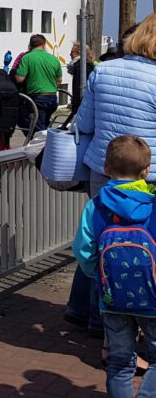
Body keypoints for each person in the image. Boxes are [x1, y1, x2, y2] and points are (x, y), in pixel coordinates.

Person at [65, 14, 156, 337]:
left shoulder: (103, 70)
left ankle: (89, 314)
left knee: (101, 240)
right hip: (148, 177)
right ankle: (136, 319)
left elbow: (84, 123)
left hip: (104, 171)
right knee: (143, 246)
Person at [72, 134, 156, 396]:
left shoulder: (95, 205)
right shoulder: (153, 206)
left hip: (111, 296)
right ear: (146, 171)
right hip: (152, 296)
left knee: (119, 360)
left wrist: (97, 276)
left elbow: (83, 249)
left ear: (106, 168)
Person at [14, 34, 63, 135]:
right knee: (45, 124)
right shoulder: (53, 58)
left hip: (37, 98)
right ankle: (46, 145)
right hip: (52, 97)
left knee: (38, 128)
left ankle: (41, 149)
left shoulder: (27, 58)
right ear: (44, 44)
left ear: (30, 44)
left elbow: (19, 79)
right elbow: (59, 81)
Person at [66, 41, 97, 115]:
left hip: (82, 106)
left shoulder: (81, 67)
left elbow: (79, 89)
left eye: (72, 52)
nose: (70, 54)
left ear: (79, 52)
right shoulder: (88, 65)